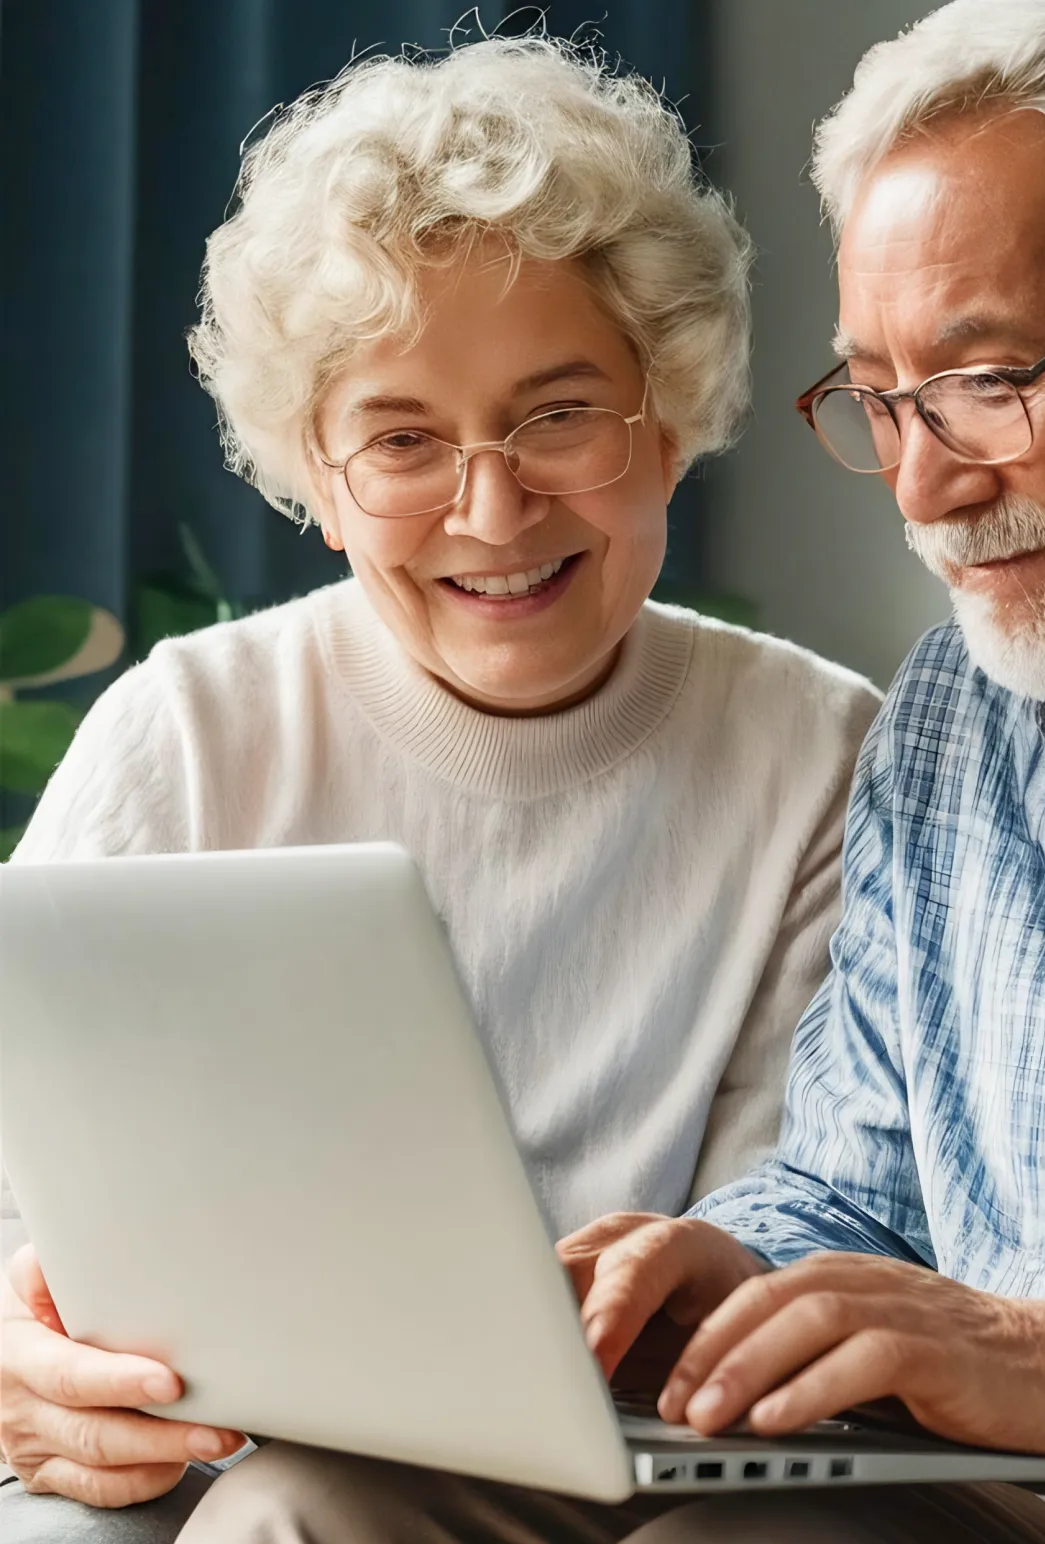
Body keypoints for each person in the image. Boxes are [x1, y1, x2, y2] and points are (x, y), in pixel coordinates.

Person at [167, 1, 1045, 1541]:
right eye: (880, 400)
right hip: (986, 1502)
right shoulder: (959, 723)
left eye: (985, 380)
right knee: (312, 1506)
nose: (923, 484)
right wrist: (718, 1268)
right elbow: (853, 1185)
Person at [0, 35, 883, 1542]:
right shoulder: (190, 733)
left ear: (670, 415)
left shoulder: (816, 758)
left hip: (629, 1457)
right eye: (402, 440)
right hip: (206, 1443)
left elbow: (777, 1238)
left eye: (558, 417)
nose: (492, 509)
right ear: (319, 481)